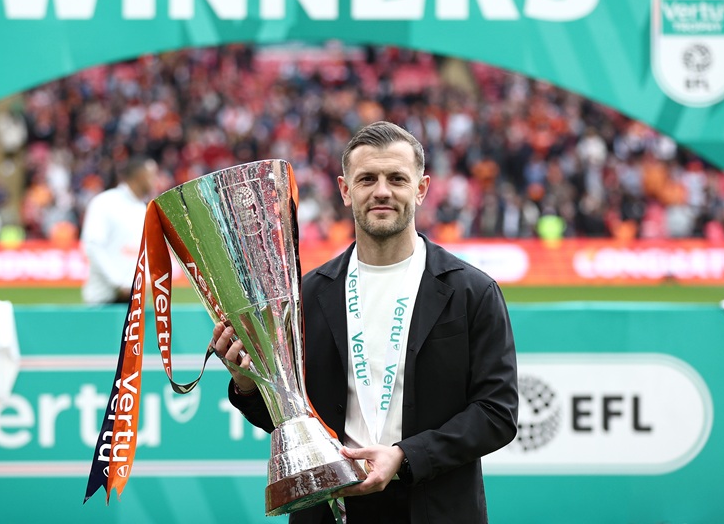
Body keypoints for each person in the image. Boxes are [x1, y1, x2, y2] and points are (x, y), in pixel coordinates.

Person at [212, 121, 518, 523]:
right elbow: (288, 421)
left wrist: (405, 457)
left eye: (397, 179)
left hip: (433, 505)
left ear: (421, 188)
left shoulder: (472, 292)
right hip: (330, 508)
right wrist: (249, 386)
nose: (382, 191)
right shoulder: (304, 298)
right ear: (344, 190)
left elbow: (497, 413)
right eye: (367, 179)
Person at [80, 155, 158, 305]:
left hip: (135, 302)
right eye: (152, 176)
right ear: (140, 176)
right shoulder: (105, 203)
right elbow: (92, 246)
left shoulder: (143, 209)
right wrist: (119, 284)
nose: (155, 181)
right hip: (105, 301)